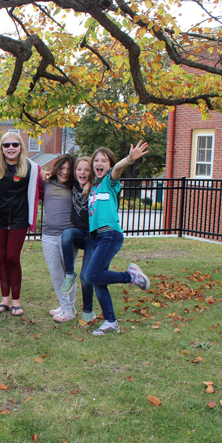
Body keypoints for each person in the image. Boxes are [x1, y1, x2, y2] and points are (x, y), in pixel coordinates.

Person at [85, 141, 151, 336]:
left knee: (90, 276)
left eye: (104, 161)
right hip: (98, 237)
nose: (99, 163)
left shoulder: (109, 182)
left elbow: (117, 169)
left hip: (110, 235)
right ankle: (111, 322)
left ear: (110, 164)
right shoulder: (93, 187)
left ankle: (131, 277)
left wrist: (129, 159)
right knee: (98, 281)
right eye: (96, 160)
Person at [0, 132, 44, 317]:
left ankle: (16, 300)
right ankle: (5, 300)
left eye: (15, 145)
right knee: (2, 258)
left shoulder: (30, 168)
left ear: (20, 147)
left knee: (12, 257)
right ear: (1, 148)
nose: (11, 148)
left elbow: (41, 190)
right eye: (6, 145)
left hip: (19, 220)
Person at [38, 154, 78, 322]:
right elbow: (30, 168)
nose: (65, 172)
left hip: (68, 237)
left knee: (68, 273)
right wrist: (41, 171)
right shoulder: (47, 183)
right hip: (48, 235)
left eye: (69, 170)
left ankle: (68, 309)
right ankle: (67, 307)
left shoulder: (76, 186)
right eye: (62, 168)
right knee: (56, 274)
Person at [57, 156, 96, 322]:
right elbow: (58, 173)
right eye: (80, 169)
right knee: (67, 234)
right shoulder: (73, 183)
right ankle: (69, 273)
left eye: (87, 170)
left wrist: (90, 183)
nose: (83, 172)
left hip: (94, 237)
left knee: (86, 277)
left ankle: (88, 311)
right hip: (80, 233)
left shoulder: (96, 187)